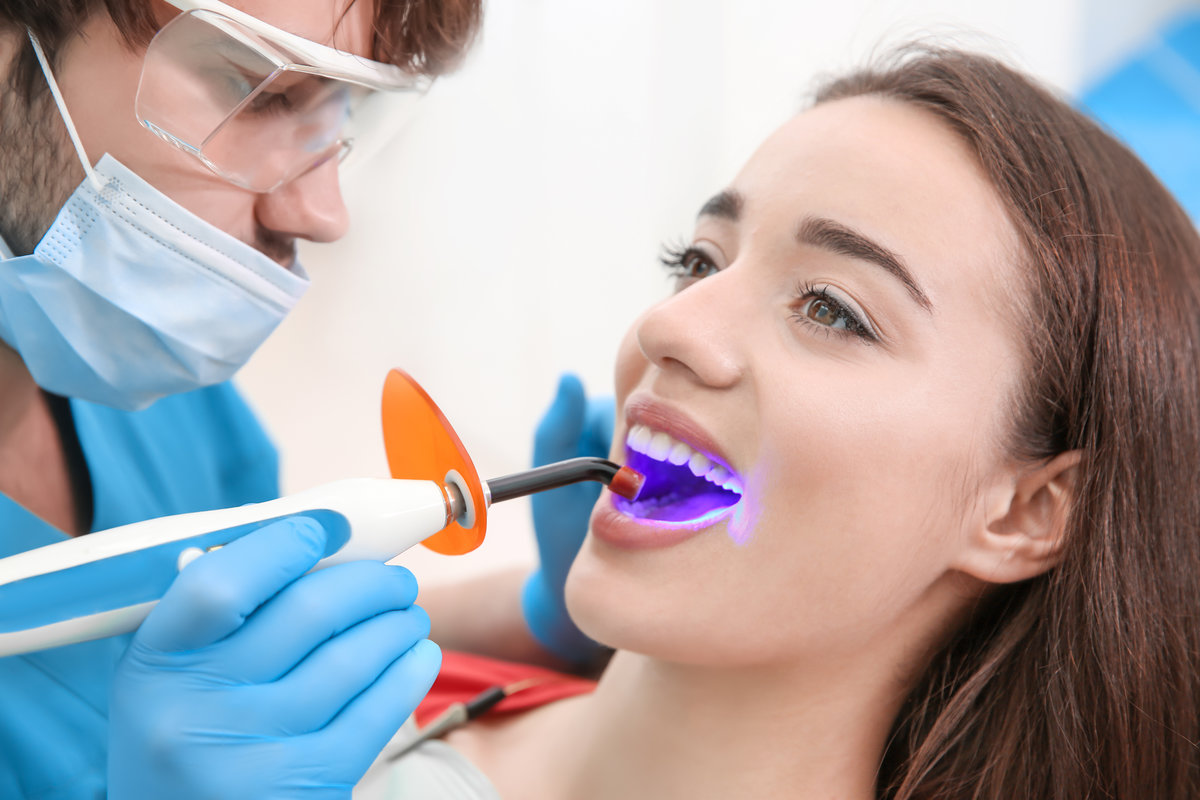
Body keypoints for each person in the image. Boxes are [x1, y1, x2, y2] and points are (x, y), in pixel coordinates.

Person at [403, 46, 1200, 799]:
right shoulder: (334, 713)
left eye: (831, 309)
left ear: (1026, 512)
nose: (670, 327)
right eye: (702, 262)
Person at [0, 2, 600, 798]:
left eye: (343, 108)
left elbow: (235, 659)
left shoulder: (137, 383)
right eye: (261, 92)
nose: (323, 214)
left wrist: (533, 620)